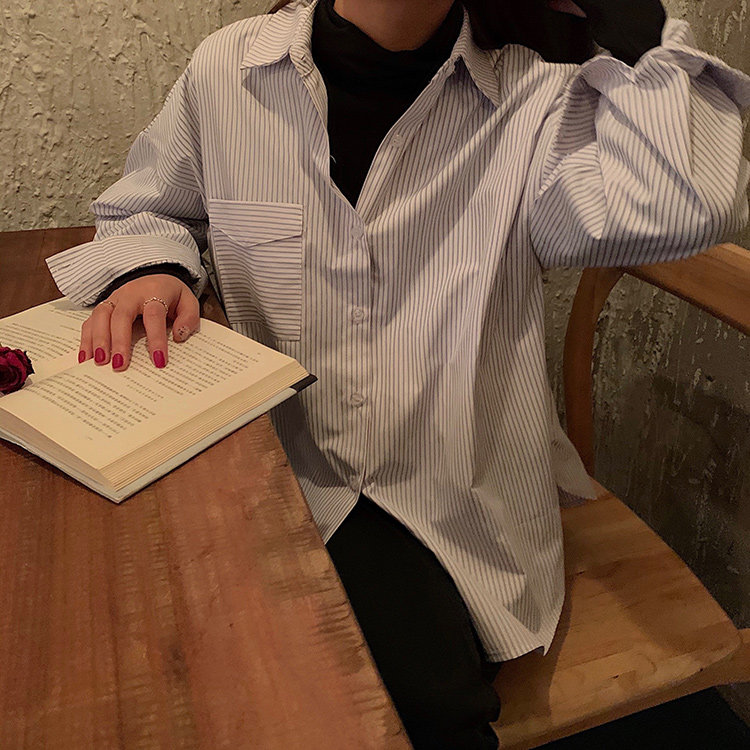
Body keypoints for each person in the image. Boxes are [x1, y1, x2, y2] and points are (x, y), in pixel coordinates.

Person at [46, 1, 750, 747]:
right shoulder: (229, 72)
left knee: (393, 702)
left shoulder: (537, 94)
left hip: (454, 488)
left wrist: (627, 17)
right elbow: (152, 208)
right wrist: (155, 268)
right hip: (284, 470)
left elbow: (683, 203)